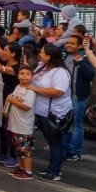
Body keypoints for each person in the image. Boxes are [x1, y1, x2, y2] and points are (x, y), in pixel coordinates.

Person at [29, 44, 72, 181]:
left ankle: (55, 171)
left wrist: (35, 89)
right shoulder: (41, 67)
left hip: (55, 113)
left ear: (49, 56)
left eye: (42, 52)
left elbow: (58, 91)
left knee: (55, 143)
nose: (39, 54)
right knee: (51, 141)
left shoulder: (60, 72)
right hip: (41, 112)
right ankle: (52, 167)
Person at [61, 35, 95, 162]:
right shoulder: (64, 56)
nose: (68, 45)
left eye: (72, 43)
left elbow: (90, 75)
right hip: (64, 96)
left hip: (77, 96)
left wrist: (80, 61)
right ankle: (64, 148)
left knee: (76, 123)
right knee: (65, 122)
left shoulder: (85, 58)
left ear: (79, 46)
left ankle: (75, 151)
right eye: (67, 43)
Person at [3, 65, 36, 180]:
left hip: (24, 125)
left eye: (27, 74)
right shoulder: (18, 87)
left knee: (25, 150)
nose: (24, 76)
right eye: (22, 73)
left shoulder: (30, 91)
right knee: (18, 149)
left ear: (31, 77)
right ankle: (21, 168)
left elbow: (27, 106)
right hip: (15, 123)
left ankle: (28, 171)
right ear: (18, 76)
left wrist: (12, 100)